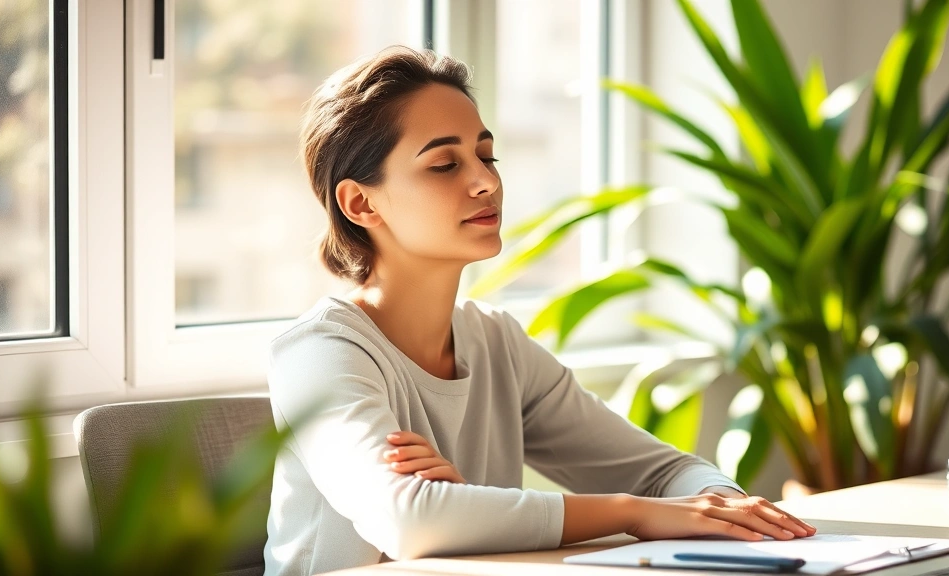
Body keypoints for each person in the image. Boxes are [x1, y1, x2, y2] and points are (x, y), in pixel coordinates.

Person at [263, 45, 816, 576]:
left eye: (486, 155)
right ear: (361, 203)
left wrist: (722, 510)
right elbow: (409, 520)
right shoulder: (319, 353)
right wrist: (634, 513)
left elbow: (667, 471)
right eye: (444, 165)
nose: (486, 182)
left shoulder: (496, 342)